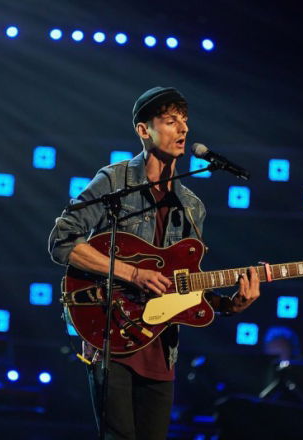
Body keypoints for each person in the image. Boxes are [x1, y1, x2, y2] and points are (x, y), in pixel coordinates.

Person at [48, 86, 261, 439]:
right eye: (170, 120)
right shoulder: (115, 180)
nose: (183, 129)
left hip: (161, 347)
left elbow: (185, 285)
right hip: (110, 330)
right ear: (143, 130)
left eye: (185, 121)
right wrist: (134, 274)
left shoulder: (192, 207)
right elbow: (62, 240)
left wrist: (229, 305)